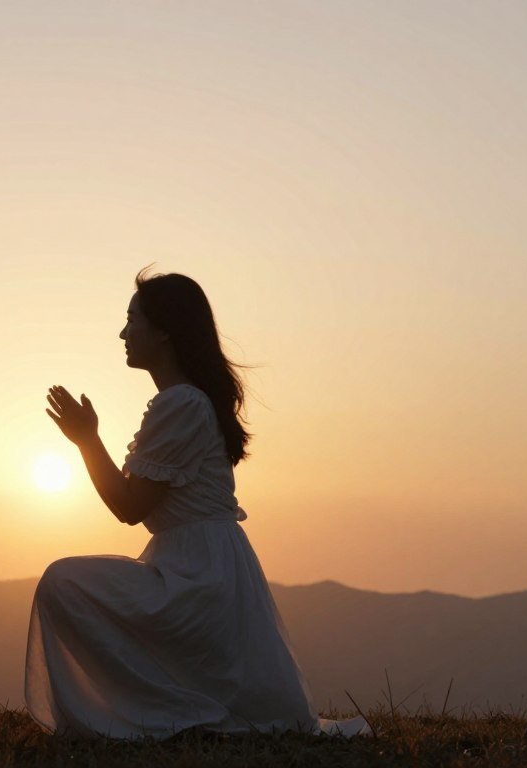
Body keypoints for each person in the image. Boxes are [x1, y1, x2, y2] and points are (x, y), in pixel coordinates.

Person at [25, 270, 368, 739]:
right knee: (68, 583)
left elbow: (128, 507)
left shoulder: (182, 404)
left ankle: (149, 714)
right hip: (201, 566)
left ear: (164, 331)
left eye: (132, 320)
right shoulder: (185, 401)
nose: (123, 333)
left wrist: (87, 440)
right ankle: (156, 711)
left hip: (198, 576)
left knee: (62, 582)